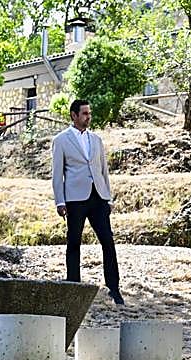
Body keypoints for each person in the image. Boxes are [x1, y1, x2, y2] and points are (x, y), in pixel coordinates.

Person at [51, 99, 123, 304]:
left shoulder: (96, 139)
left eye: (89, 113)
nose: (88, 117)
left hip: (98, 197)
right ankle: (74, 285)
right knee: (74, 242)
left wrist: (108, 197)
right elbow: (57, 174)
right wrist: (60, 201)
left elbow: (103, 170)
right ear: (74, 115)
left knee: (108, 241)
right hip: (75, 199)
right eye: (84, 113)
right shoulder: (61, 140)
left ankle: (114, 288)